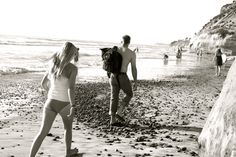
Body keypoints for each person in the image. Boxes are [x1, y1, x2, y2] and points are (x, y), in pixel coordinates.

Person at [29, 42, 79, 157]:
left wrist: (51, 94)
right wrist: (73, 106)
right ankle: (68, 152)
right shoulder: (72, 68)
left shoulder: (53, 64)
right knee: (68, 129)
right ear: (72, 53)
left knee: (42, 132)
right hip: (65, 104)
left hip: (50, 102)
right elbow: (71, 88)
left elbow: (43, 84)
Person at [109, 35, 137, 126]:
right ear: (129, 42)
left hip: (113, 75)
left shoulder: (116, 49)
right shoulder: (131, 53)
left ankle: (112, 120)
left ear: (121, 41)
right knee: (129, 94)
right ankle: (119, 112)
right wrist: (135, 81)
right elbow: (133, 68)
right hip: (122, 76)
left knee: (114, 97)